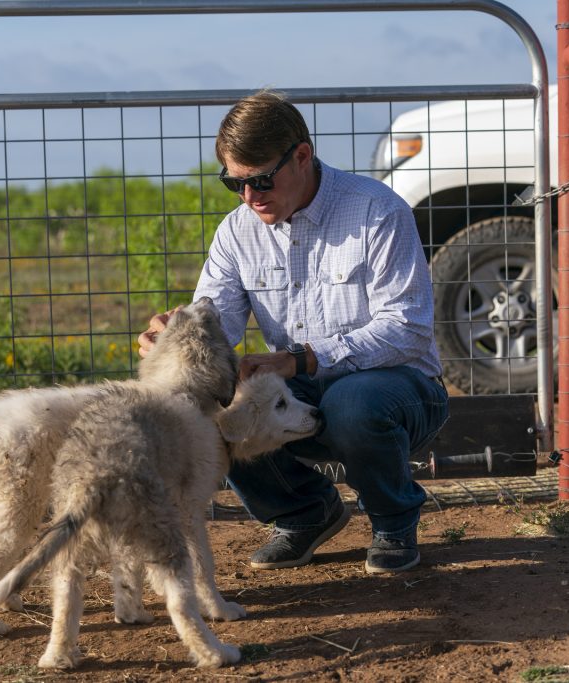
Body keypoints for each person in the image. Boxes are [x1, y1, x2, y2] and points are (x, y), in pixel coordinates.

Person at [138, 90, 448, 574]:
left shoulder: (377, 211)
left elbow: (407, 330)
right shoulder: (237, 231)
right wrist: (176, 337)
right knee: (225, 403)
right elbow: (213, 321)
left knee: (352, 404)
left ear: (302, 155)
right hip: (298, 386)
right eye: (233, 183)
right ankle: (303, 513)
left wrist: (302, 359)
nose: (248, 196)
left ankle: (393, 520)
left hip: (402, 389)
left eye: (261, 179)